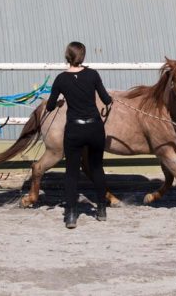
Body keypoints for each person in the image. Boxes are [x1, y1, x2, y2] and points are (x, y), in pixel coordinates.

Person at [46, 41, 113, 229]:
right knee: (97, 168)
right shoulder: (93, 75)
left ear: (67, 57)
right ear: (83, 56)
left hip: (74, 130)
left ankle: (72, 215)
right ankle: (101, 210)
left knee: (72, 173)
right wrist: (110, 100)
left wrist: (59, 102)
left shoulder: (60, 79)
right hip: (94, 128)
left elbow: (50, 106)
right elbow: (106, 99)